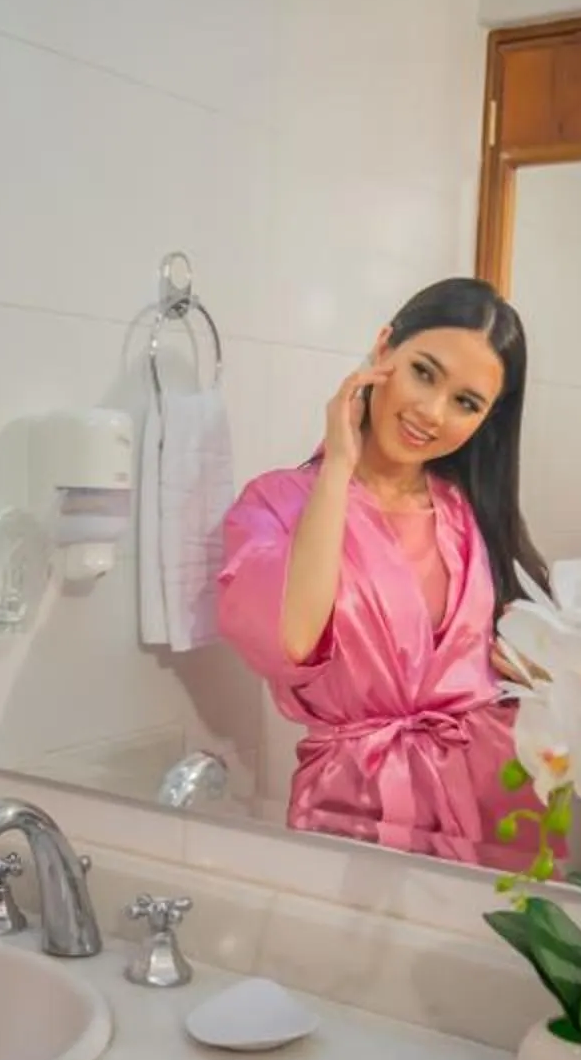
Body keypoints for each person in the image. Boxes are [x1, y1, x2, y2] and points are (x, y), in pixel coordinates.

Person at [216, 278, 553, 868]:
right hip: (353, 811)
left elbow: (522, 673)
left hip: (487, 806)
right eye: (424, 372)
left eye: (466, 403)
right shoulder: (277, 503)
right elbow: (292, 641)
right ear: (383, 348)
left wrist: (540, 677)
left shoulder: (472, 518)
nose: (431, 412)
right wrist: (339, 467)